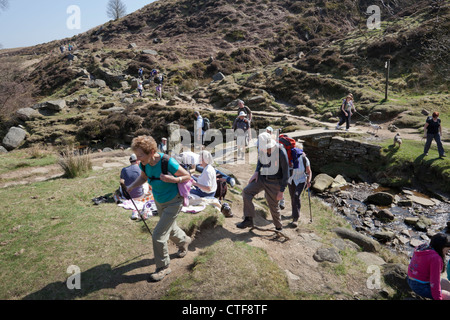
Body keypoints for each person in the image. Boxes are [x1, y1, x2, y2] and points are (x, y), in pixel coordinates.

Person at [125, 135, 192, 282]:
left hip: (174, 201)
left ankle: (163, 267)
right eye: (136, 155)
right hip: (159, 200)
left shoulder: (167, 162)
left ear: (151, 152)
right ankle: (184, 241)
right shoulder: (143, 163)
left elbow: (187, 176)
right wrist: (131, 186)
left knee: (158, 235)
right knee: (170, 228)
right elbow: (143, 177)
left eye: (140, 155)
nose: (138, 159)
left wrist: (175, 179)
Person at [237, 132, 290, 231]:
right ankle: (248, 219)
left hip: (275, 182)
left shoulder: (281, 152)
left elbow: (286, 173)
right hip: (262, 177)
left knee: (273, 206)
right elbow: (260, 160)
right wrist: (256, 172)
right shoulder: (262, 149)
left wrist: (281, 191)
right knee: (246, 191)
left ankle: (279, 227)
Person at [407, 233, 450, 300]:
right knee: (448, 296)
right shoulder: (435, 258)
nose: (447, 253)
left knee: (445, 283)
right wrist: (438, 298)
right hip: (420, 286)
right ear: (441, 247)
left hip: (411, 279)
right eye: (446, 250)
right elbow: (434, 282)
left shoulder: (424, 247)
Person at [287, 142, 312, 227]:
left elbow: (309, 171)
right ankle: (294, 213)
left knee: (296, 196)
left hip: (301, 180)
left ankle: (295, 218)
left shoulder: (304, 159)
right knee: (292, 197)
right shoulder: (290, 158)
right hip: (291, 180)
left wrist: (309, 181)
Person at [119, 154, 145, 219]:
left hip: (127, 195)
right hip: (139, 195)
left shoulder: (124, 170)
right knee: (145, 185)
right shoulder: (141, 169)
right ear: (137, 161)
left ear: (130, 161)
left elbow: (121, 180)